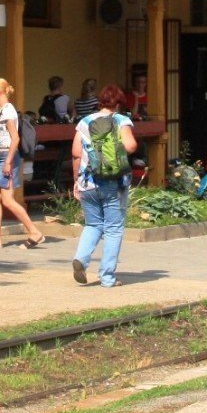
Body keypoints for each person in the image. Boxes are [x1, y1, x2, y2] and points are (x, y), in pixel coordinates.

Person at [71, 88, 139, 288]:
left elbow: (76, 153)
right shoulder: (121, 120)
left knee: (93, 225)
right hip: (112, 183)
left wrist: (76, 182)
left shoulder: (84, 122)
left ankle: (81, 258)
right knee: (113, 229)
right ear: (118, 104)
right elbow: (131, 146)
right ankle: (107, 277)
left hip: (87, 182)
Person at [0, 77, 45, 248]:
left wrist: (8, 162)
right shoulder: (1, 110)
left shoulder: (8, 111)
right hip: (0, 155)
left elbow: (15, 138)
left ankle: (34, 232)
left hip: (8, 156)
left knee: (8, 200)